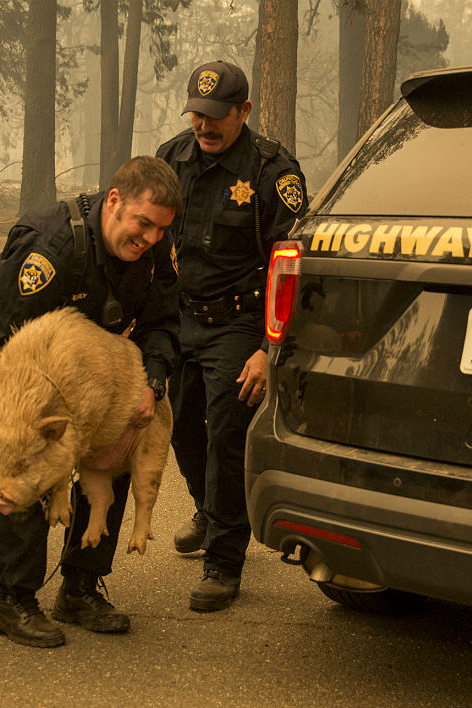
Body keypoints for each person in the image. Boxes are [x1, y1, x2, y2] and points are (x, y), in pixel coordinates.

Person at [0, 156, 183, 647]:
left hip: (97, 371)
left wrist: (152, 382)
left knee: (121, 440)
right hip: (25, 364)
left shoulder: (156, 250)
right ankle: (13, 600)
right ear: (114, 202)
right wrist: (1, 405)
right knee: (32, 466)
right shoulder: (53, 244)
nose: (151, 238)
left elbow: (163, 324)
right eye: (143, 224)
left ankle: (80, 588)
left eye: (161, 229)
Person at [155, 60, 308, 612]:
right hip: (180, 317)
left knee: (224, 433)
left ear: (244, 111)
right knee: (179, 427)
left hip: (240, 324)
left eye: (216, 116)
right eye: (196, 115)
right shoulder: (172, 158)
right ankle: (209, 508)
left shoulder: (272, 172)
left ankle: (224, 560)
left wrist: (269, 352)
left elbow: (288, 267)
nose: (204, 126)